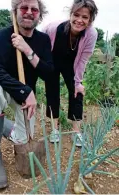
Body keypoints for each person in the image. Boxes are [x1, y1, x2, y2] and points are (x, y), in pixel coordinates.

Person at [0, 0, 53, 189]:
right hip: (6, 91)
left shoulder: (43, 40)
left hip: (26, 100)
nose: (29, 12)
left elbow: (49, 74)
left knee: (21, 140)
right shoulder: (4, 36)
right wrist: (24, 90)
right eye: (24, 8)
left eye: (34, 9)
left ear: (39, 14)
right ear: (15, 12)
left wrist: (27, 50)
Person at [43, 0, 98, 145]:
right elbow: (41, 41)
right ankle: (55, 129)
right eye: (76, 15)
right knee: (52, 92)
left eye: (85, 17)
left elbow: (83, 59)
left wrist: (78, 82)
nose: (79, 20)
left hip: (72, 64)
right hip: (53, 60)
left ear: (90, 20)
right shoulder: (54, 28)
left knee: (77, 92)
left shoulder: (91, 34)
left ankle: (76, 132)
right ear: (71, 14)